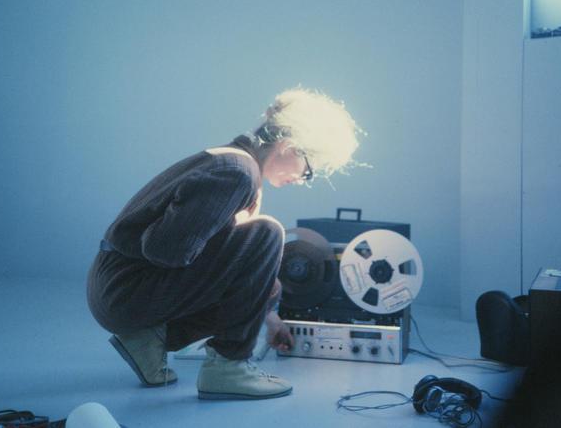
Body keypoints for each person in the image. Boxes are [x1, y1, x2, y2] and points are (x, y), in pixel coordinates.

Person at [86, 87, 362, 400]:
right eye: (309, 170)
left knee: (268, 283)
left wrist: (267, 316)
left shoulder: (231, 162)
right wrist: (238, 247)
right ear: (290, 147)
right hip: (124, 292)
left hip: (116, 286)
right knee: (267, 234)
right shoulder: (237, 172)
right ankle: (228, 367)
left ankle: (149, 342)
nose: (302, 179)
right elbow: (163, 250)